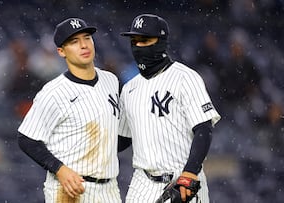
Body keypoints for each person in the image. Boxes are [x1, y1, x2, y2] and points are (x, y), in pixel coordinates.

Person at [118, 14, 221, 203]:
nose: (139, 46)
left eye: (145, 40)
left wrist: (190, 172)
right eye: (135, 41)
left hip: (181, 179)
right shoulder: (129, 88)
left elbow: (204, 129)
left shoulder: (185, 78)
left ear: (161, 41)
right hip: (142, 182)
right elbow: (122, 139)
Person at [17, 17, 122, 203]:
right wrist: (60, 169)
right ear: (61, 51)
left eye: (87, 38)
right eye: (74, 42)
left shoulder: (111, 81)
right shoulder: (54, 92)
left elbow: (117, 131)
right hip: (68, 190)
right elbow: (27, 139)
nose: (83, 45)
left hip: (109, 189)